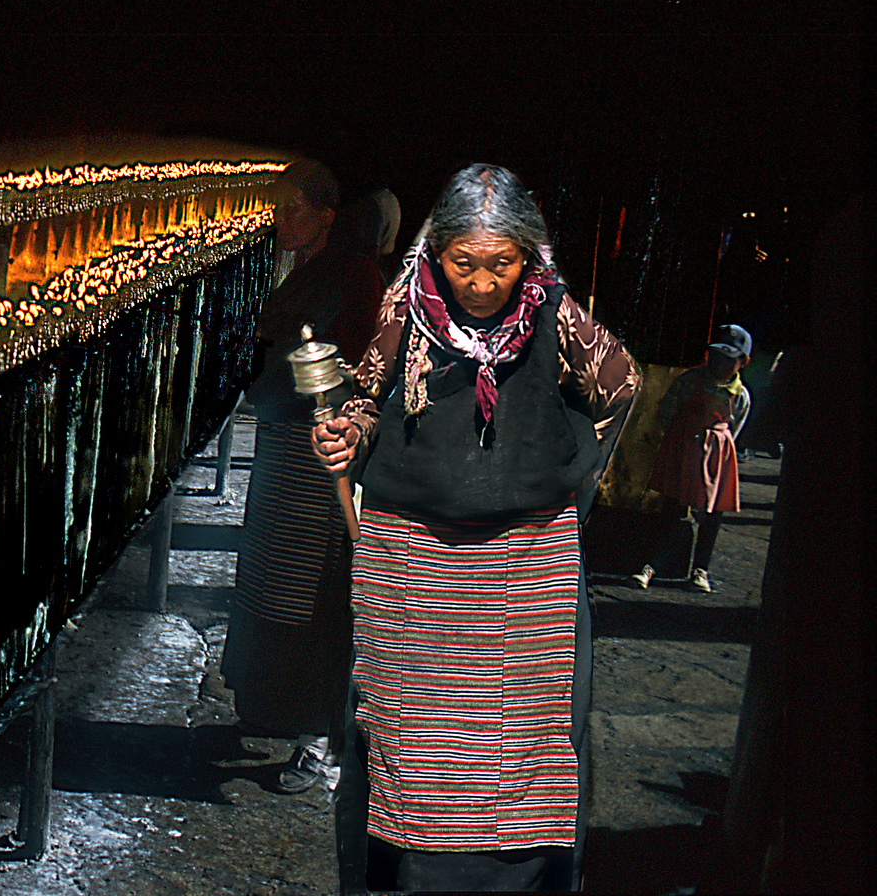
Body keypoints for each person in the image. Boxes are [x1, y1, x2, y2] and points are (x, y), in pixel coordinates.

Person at [311, 163, 640, 892]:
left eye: (502, 263)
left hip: (528, 569)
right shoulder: (409, 308)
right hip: (414, 567)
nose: (484, 283)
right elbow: (369, 395)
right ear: (438, 251)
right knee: (409, 740)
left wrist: (570, 481)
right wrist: (350, 434)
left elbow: (622, 383)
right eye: (466, 263)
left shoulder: (553, 312)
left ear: (528, 254)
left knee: (526, 741)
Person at [223, 160, 385, 794]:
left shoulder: (355, 276)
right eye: (276, 206)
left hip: (321, 458)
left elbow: (352, 366)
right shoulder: (283, 268)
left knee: (314, 595)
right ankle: (270, 707)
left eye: (293, 208)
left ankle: (319, 740)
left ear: (325, 217)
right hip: (280, 447)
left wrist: (284, 376)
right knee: (269, 585)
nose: (279, 218)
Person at [634, 325, 752, 594]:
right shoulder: (690, 381)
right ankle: (651, 566)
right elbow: (668, 409)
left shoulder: (740, 395)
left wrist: (717, 444)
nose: (721, 363)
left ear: (743, 361)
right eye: (716, 355)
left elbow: (736, 425)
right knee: (673, 510)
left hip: (716, 458)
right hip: (684, 449)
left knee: (711, 515)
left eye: (729, 357)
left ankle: (701, 569)